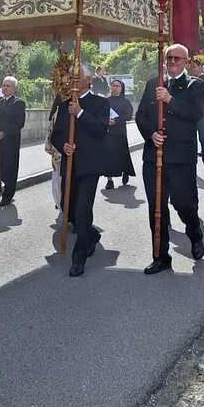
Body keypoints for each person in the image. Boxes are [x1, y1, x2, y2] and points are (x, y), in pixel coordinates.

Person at [136, 43, 204, 274]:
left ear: (186, 62)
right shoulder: (152, 83)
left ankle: (194, 232)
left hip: (181, 158)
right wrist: (150, 134)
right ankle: (161, 256)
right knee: (156, 209)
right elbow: (141, 115)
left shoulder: (195, 85)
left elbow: (196, 114)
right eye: (169, 58)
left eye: (177, 58)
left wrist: (170, 100)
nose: (172, 62)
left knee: (183, 203)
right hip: (153, 157)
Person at [52, 66, 110, 277]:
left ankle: (79, 257)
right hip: (70, 165)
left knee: (83, 210)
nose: (72, 80)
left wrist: (81, 113)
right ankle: (91, 236)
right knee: (70, 210)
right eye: (70, 77)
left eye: (77, 76)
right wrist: (63, 145)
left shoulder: (100, 103)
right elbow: (56, 134)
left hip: (89, 166)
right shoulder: (64, 105)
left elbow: (101, 130)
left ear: (88, 80)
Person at [0, 75, 26, 205]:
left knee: (9, 169)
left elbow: (19, 124)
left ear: (14, 89)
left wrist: (4, 133)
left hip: (10, 142)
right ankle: (10, 184)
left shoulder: (18, 103)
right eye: (3, 85)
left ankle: (7, 196)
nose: (4, 88)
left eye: (8, 86)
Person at [103, 79, 135, 189]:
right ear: (110, 87)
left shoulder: (126, 102)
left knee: (122, 155)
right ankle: (109, 180)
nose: (115, 87)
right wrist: (106, 120)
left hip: (120, 132)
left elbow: (128, 116)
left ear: (121, 89)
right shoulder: (105, 101)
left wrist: (116, 121)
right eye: (113, 85)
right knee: (108, 156)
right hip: (108, 132)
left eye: (118, 86)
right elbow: (100, 114)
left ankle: (125, 171)